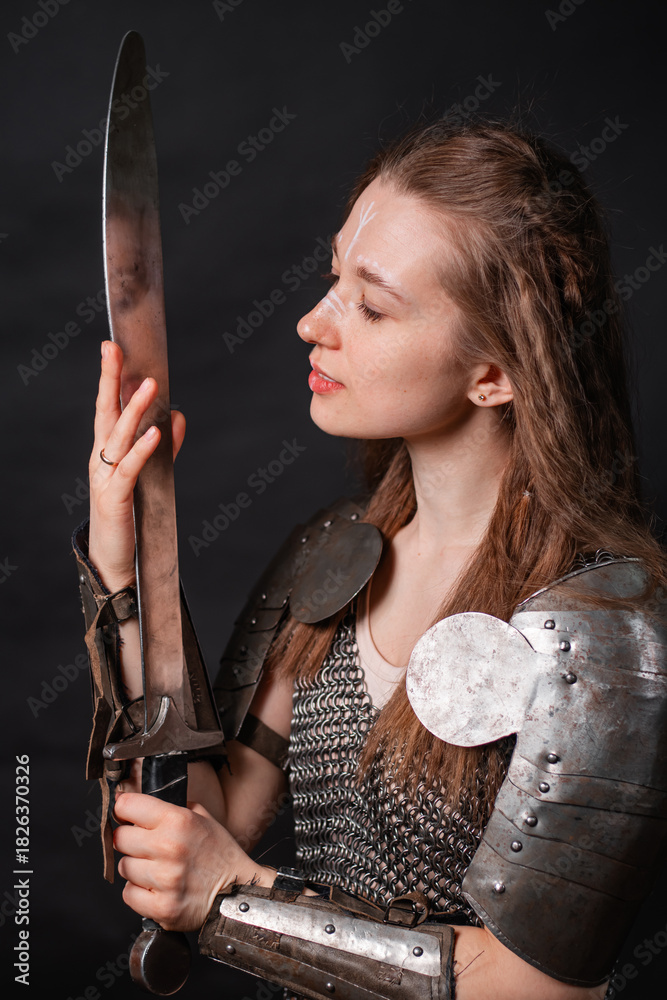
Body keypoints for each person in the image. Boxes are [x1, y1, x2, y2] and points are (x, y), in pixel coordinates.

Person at [74, 119, 667, 999]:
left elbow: (541, 985)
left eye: (372, 304)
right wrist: (127, 570)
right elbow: (206, 817)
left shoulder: (606, 632)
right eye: (332, 280)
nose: (314, 322)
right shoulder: (330, 556)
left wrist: (238, 894)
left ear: (494, 373)